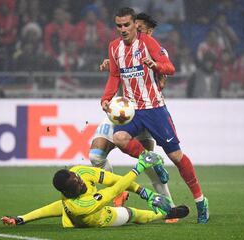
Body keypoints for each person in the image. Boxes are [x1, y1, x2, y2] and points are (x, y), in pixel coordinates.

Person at [101, 7, 209, 223]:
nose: (123, 29)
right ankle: (151, 160)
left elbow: (170, 68)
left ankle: (200, 200)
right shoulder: (114, 48)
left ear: (134, 25)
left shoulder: (148, 43)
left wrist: (155, 64)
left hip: (155, 109)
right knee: (119, 139)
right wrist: (106, 98)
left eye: (127, 25)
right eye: (119, 26)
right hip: (132, 110)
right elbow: (114, 76)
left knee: (177, 157)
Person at [92, 12, 175, 223]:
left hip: (147, 110)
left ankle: (169, 206)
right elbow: (117, 72)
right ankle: (118, 191)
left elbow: (162, 80)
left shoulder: (155, 49)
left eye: (140, 28)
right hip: (122, 109)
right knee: (95, 155)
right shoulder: (117, 47)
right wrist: (111, 68)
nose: (133, 31)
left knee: (147, 161)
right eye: (127, 26)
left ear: (149, 32)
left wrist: (154, 72)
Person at [1, 151, 190, 228]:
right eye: (75, 183)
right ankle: (164, 215)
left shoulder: (79, 171)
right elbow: (116, 188)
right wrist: (139, 168)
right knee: (132, 214)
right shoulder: (80, 205)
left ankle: (160, 210)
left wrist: (21, 219)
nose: (80, 181)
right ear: (68, 193)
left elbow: (113, 179)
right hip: (98, 218)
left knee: (120, 190)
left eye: (76, 177)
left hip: (81, 209)